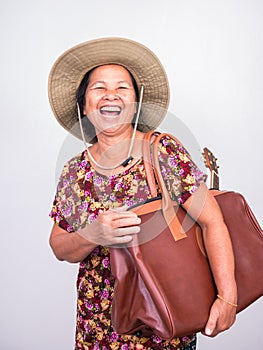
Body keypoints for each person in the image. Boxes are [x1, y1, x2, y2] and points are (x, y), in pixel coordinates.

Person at [48, 37, 237, 350]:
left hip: (164, 328)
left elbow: (212, 221)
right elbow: (59, 246)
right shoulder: (74, 170)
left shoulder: (161, 150)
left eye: (122, 87)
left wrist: (227, 297)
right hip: (97, 330)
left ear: (135, 102)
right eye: (99, 88)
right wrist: (94, 233)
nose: (111, 95)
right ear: (84, 104)